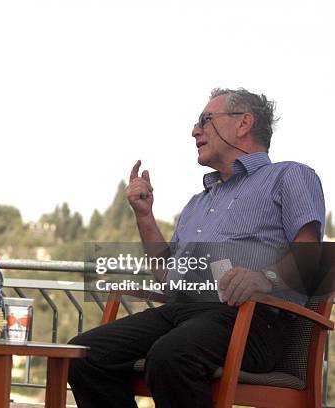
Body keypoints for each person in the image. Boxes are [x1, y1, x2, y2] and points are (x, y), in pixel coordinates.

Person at [68, 88, 325, 408]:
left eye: (206, 120)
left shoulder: (290, 175)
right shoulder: (198, 203)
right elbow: (167, 277)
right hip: (183, 313)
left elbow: (311, 257)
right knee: (82, 355)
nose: (194, 130)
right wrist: (145, 217)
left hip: (250, 320)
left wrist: (264, 278)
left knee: (170, 356)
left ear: (244, 123)